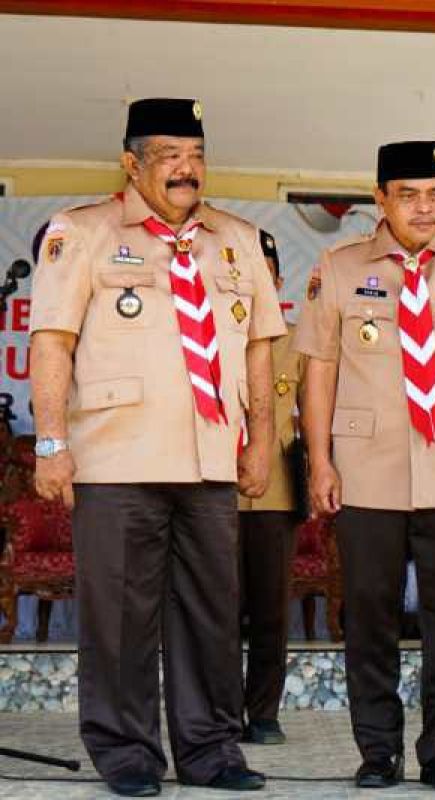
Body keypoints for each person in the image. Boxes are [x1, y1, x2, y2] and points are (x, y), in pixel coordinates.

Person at [29, 97, 284, 796]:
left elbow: (259, 352)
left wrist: (260, 440)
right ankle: (127, 753)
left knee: (210, 614)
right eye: (169, 156)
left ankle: (211, 753)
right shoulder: (80, 234)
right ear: (131, 164)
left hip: (209, 459)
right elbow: (51, 342)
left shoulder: (236, 239)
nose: (185, 170)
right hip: (117, 459)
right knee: (119, 617)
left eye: (196, 156)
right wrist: (51, 442)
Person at [296, 140, 435, 791]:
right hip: (368, 471)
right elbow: (318, 370)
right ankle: (378, 750)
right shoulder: (339, 269)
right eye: (408, 194)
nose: (425, 208)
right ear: (381, 200)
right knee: (370, 620)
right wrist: (319, 461)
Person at [238, 229, 303, 746]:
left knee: (269, 612)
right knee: (210, 613)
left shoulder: (298, 341)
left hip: (274, 495)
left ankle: (263, 712)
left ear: (278, 279)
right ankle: (214, 712)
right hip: (206, 493)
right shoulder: (206, 334)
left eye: (267, 272)